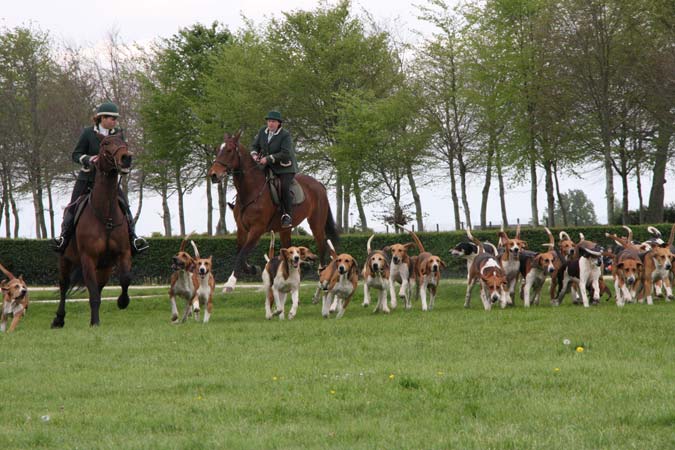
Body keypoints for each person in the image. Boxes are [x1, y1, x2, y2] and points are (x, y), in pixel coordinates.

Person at [53, 101, 148, 254]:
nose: (114, 121)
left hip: (108, 182)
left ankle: (134, 239)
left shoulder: (118, 134)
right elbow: (75, 155)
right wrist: (89, 159)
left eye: (115, 119)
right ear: (101, 118)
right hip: (87, 178)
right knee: (73, 206)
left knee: (124, 206)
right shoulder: (88, 133)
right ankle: (63, 238)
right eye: (111, 118)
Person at [250, 110, 298, 228]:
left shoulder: (285, 135)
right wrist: (255, 154)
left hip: (285, 168)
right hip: (267, 165)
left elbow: (285, 153)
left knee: (284, 187)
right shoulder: (262, 131)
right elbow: (254, 146)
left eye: (273, 122)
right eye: (269, 121)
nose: (270, 124)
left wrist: (268, 158)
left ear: (278, 123)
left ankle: (287, 215)